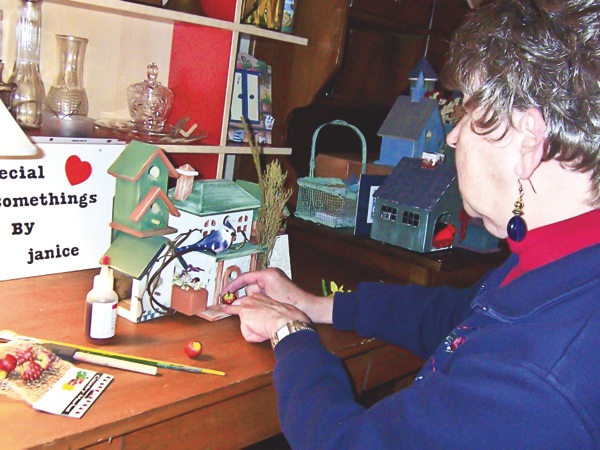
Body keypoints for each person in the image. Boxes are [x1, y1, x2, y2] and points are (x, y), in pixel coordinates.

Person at [222, 0, 600, 447]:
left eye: (468, 113)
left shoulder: (540, 379)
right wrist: (314, 306)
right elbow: (453, 317)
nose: (454, 135)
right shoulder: (561, 262)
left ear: (528, 140)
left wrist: (291, 332)